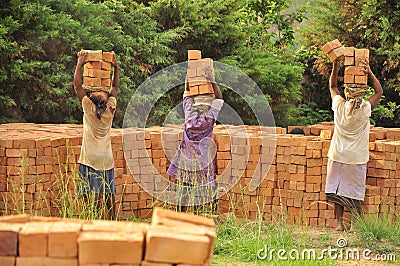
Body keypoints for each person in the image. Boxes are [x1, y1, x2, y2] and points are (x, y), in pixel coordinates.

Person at [325, 58, 382, 231]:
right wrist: (370, 72)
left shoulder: (339, 106)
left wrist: (335, 66)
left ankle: (340, 224)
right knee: (355, 191)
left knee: (337, 189)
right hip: (357, 157)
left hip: (338, 155)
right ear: (363, 93)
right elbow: (379, 91)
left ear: (347, 93)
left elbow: (333, 87)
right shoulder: (365, 109)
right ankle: (354, 225)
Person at [167, 67, 223, 212]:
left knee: (183, 191)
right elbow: (220, 99)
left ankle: (180, 217)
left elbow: (186, 94)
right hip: (202, 162)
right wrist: (212, 80)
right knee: (199, 193)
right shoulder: (209, 120)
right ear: (207, 108)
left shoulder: (189, 116)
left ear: (196, 107)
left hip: (185, 160)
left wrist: (190, 76)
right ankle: (197, 217)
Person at [74, 50, 119, 220]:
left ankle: (91, 219)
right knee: (108, 192)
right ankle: (113, 219)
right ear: (106, 100)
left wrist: (80, 63)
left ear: (91, 98)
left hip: (89, 158)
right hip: (106, 159)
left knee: (89, 192)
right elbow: (114, 88)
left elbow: (78, 86)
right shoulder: (110, 110)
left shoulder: (88, 107)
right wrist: (115, 66)